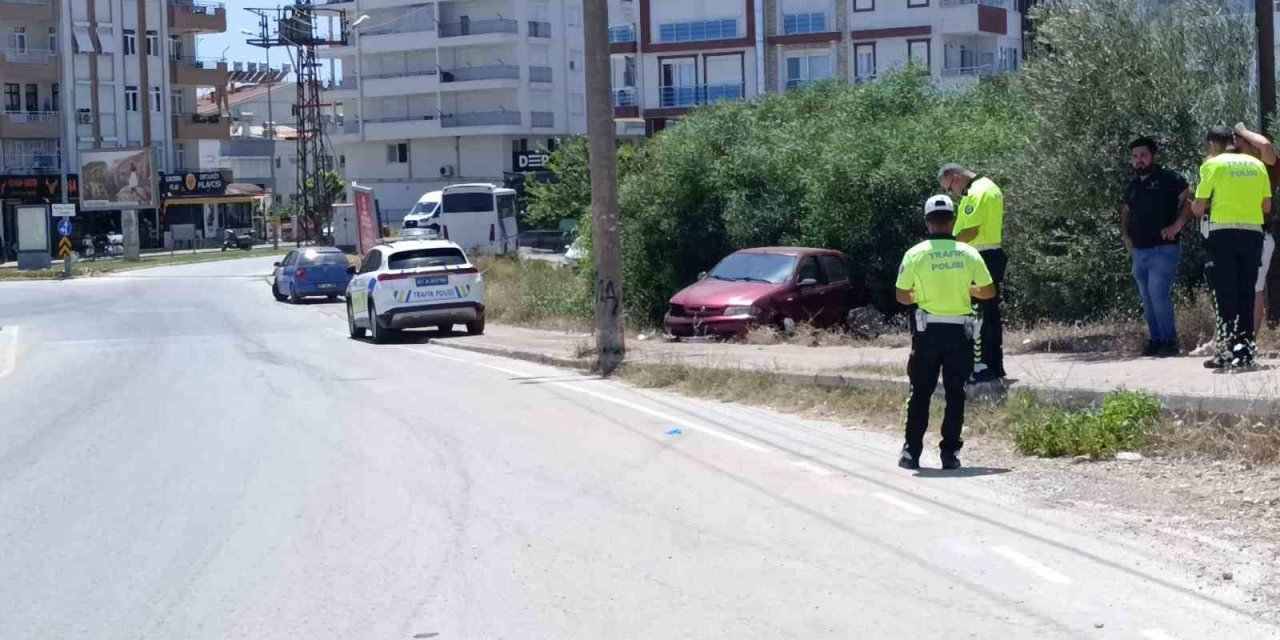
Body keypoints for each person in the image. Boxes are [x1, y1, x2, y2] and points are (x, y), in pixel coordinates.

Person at [895, 194, 997, 471]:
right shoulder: (968, 252)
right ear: (952, 221)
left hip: (927, 333)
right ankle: (949, 454)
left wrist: (922, 293)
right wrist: (967, 290)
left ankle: (911, 453)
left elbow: (902, 296)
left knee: (920, 393)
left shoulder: (915, 254)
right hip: (959, 334)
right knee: (956, 394)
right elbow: (988, 291)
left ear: (928, 223)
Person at [1192, 125, 1272, 370]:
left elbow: (1197, 207)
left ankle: (1225, 354)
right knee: (1247, 294)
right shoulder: (1256, 165)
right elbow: (1266, 207)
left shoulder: (1212, 165)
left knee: (1225, 293)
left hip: (1223, 233)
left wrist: (1202, 206)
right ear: (1233, 140)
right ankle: (1245, 353)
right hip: (1252, 233)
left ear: (1212, 144)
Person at [1121, 137, 1192, 357]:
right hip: (1139, 251)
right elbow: (1125, 211)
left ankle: (1169, 341)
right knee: (1146, 296)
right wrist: (1126, 237)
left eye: (1143, 155)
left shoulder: (1168, 179)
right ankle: (1156, 340)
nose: (1139, 160)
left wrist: (1177, 225)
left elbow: (1191, 200)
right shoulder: (1133, 185)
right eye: (1135, 157)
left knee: (1157, 291)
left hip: (1164, 248)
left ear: (1153, 156)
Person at [939, 164, 1006, 383]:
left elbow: (971, 230)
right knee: (990, 314)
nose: (952, 193)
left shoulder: (977, 192)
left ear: (956, 177)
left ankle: (981, 366)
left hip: (981, 257)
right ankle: (994, 365)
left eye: (949, 187)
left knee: (978, 315)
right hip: (990, 255)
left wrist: (946, 248)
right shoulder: (989, 187)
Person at [1231, 123, 1278, 334]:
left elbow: (1267, 147)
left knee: (1255, 288)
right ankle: (1229, 339)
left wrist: (1242, 130)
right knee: (1232, 288)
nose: (1237, 144)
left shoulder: (1266, 166)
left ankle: (1249, 340)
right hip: (1233, 230)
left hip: (1259, 232)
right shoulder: (1235, 165)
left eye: (1241, 142)